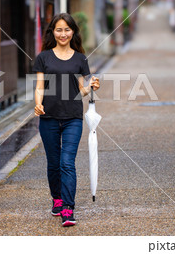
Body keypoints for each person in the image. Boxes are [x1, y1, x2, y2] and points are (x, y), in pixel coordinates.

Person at [32, 13, 100, 227]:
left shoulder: (80, 59)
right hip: (48, 118)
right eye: (59, 29)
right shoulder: (43, 57)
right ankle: (57, 199)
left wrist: (92, 87)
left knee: (66, 163)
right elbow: (40, 86)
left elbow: (82, 90)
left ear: (73, 32)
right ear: (53, 32)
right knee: (53, 163)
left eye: (67, 30)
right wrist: (38, 103)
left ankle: (68, 209)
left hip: (72, 117)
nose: (63, 34)